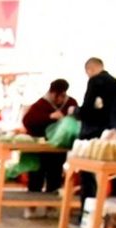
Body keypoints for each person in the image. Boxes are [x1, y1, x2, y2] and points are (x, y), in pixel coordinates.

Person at [21, 79, 77, 207]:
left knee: (55, 177)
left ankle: (51, 206)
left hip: (59, 149)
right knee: (36, 176)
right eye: (58, 95)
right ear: (51, 93)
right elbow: (28, 121)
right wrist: (50, 117)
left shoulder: (71, 103)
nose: (60, 99)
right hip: (39, 148)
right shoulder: (41, 104)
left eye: (63, 96)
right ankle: (32, 206)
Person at [77, 57, 116, 139]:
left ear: (89, 70)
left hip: (98, 133)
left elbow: (88, 109)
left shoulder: (95, 81)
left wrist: (76, 112)